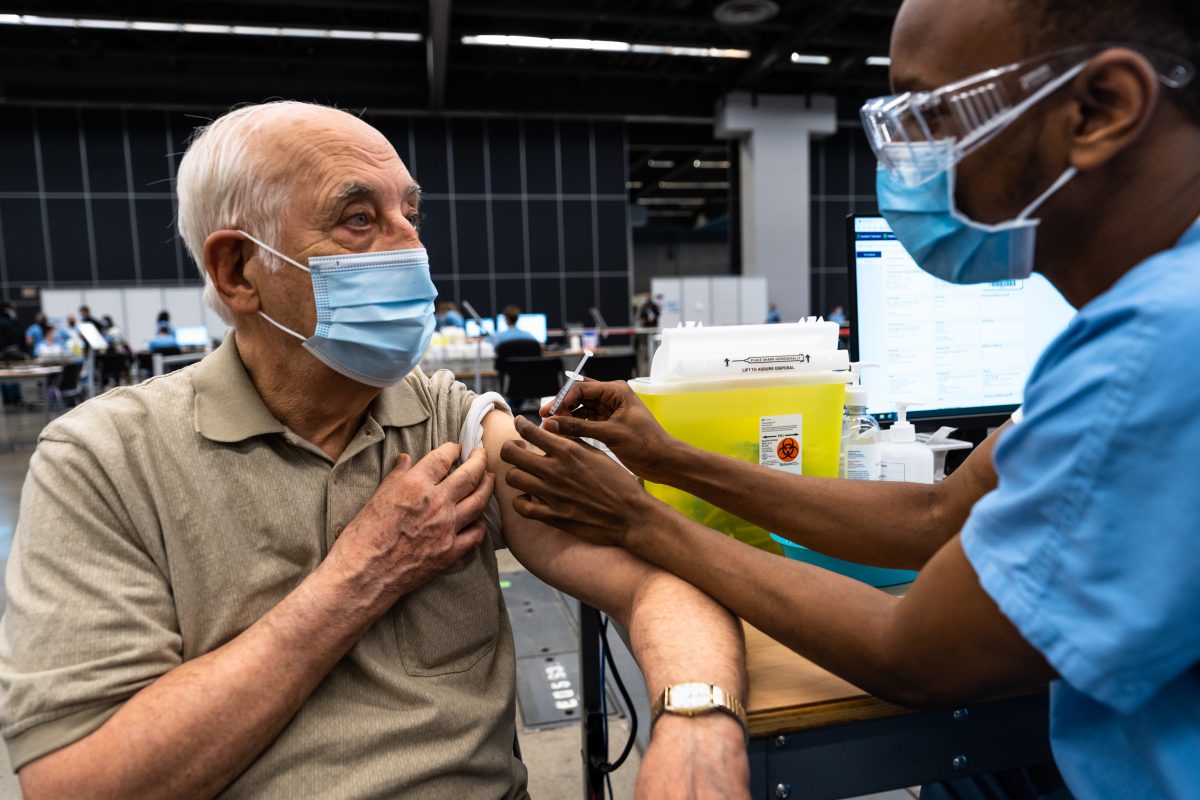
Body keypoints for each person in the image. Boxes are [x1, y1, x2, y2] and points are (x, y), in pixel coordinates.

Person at [502, 2, 1200, 799]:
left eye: (929, 114)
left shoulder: (1155, 356)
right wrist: (669, 460)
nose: (907, 159)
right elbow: (936, 518)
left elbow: (915, 654)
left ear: (1099, 108)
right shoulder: (1142, 327)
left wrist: (638, 519)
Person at [0, 101, 748, 800]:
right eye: (359, 219)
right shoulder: (105, 461)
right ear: (238, 271)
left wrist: (697, 726)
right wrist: (356, 580)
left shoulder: (448, 421)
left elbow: (660, 573)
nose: (412, 248)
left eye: (411, 214)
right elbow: (78, 780)